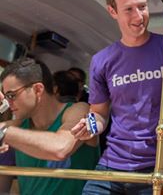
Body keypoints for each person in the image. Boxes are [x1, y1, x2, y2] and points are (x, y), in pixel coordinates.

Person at [71, 0, 163, 195]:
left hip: (159, 164)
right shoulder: (102, 60)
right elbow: (99, 114)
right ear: (112, 11)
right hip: (113, 164)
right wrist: (91, 127)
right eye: (129, 9)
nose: (138, 16)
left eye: (142, 7)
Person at [0, 58, 99, 195]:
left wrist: (5, 133)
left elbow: (60, 148)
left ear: (38, 89)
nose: (8, 103)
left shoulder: (81, 110)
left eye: (12, 95)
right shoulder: (18, 126)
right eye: (6, 97)